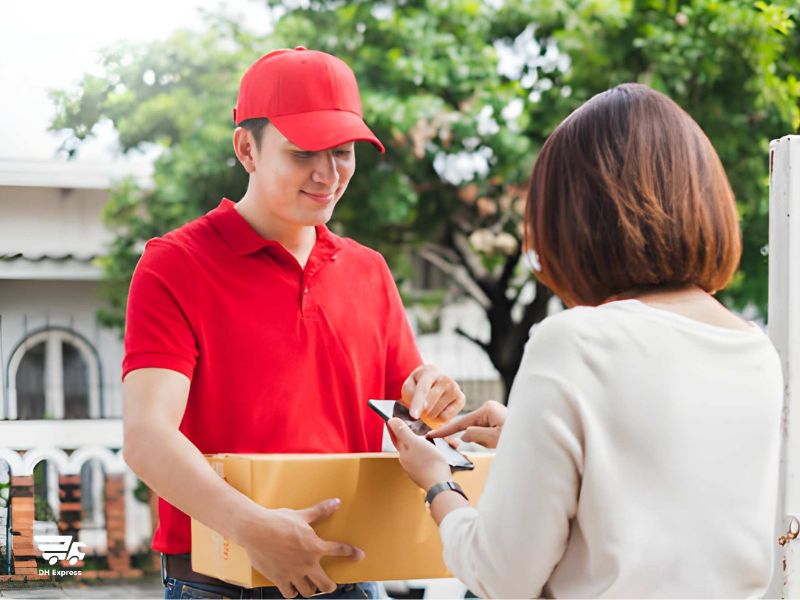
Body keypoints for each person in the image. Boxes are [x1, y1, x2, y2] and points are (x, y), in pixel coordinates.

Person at [388, 83, 783, 598]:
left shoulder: (572, 344)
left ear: (575, 220)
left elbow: (500, 574)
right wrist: (532, 442)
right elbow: (664, 496)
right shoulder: (755, 350)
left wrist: (438, 481)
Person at [121, 47, 465, 600]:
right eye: (304, 152)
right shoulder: (176, 263)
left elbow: (411, 421)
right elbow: (147, 437)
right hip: (222, 580)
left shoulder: (368, 270)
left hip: (351, 576)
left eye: (344, 152)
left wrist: (434, 399)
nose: (328, 174)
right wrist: (254, 528)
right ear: (246, 148)